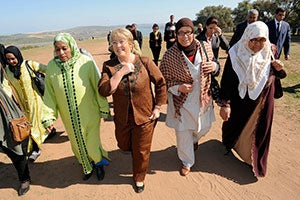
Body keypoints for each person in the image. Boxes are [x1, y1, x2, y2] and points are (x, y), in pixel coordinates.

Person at [98, 28, 167, 193]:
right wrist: (120, 72)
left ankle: (139, 177)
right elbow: (104, 90)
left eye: (121, 41)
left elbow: (160, 82)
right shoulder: (109, 66)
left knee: (141, 151)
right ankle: (131, 150)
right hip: (122, 117)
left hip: (145, 117)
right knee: (123, 144)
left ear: (130, 43)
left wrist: (158, 107)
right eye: (114, 42)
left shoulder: (145, 61)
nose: (117, 46)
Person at [217, 21, 286, 177]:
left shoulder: (271, 50)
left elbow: (275, 73)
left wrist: (280, 70)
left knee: (260, 131)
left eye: (262, 40)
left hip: (263, 101)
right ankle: (230, 144)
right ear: (247, 37)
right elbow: (228, 79)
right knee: (235, 125)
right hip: (240, 100)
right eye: (253, 39)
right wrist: (225, 104)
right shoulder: (236, 52)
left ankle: (254, 161)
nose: (257, 44)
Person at [42, 33, 110, 181]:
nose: (61, 53)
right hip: (68, 117)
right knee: (77, 143)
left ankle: (98, 163)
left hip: (90, 113)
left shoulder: (86, 62)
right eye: (57, 49)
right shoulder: (52, 67)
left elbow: (97, 87)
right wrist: (48, 117)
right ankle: (87, 166)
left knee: (92, 142)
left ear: (72, 46)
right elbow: (49, 95)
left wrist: (103, 108)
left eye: (64, 48)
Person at [160, 18, 219, 177]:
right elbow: (163, 81)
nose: (184, 36)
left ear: (193, 33)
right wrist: (178, 87)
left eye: (188, 32)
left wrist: (214, 66)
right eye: (180, 33)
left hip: (203, 96)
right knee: (183, 131)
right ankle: (186, 161)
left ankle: (194, 140)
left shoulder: (205, 47)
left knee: (204, 127)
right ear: (176, 34)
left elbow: (216, 65)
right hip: (181, 100)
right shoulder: (169, 56)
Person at [4, 45, 49, 162]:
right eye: (8, 59)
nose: (11, 61)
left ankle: (35, 149)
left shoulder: (29, 64)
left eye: (13, 58)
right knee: (29, 124)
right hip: (22, 106)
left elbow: (47, 69)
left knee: (33, 125)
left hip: (36, 102)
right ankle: (49, 132)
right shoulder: (8, 72)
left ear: (18, 55)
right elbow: (7, 88)